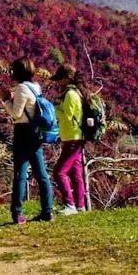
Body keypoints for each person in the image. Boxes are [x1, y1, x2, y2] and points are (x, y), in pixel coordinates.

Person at [0, 57, 53, 224]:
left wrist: (6, 99)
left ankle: (17, 212)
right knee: (41, 173)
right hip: (35, 132)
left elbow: (16, 113)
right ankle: (47, 210)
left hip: (23, 132)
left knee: (20, 174)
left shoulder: (22, 88)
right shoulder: (35, 87)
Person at [51, 64, 86, 216]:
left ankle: (69, 204)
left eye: (60, 79)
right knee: (75, 174)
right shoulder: (76, 93)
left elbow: (67, 116)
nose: (58, 82)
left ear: (66, 78)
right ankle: (80, 205)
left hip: (72, 138)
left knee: (59, 172)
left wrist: (54, 108)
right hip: (75, 137)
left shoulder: (71, 94)